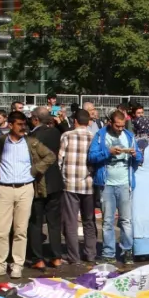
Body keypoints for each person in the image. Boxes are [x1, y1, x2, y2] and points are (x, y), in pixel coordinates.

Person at [0, 111, 56, 278]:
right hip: (4, 188)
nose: (23, 127)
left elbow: (50, 156)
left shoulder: (31, 142)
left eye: (24, 124)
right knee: (1, 230)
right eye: (19, 124)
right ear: (10, 125)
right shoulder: (0, 142)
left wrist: (35, 170)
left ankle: (17, 264)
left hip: (25, 188)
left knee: (20, 229)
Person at [88, 110, 140, 264]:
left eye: (123, 126)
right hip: (107, 184)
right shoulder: (100, 136)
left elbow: (139, 156)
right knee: (107, 221)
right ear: (110, 122)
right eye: (118, 126)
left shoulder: (129, 136)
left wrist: (136, 155)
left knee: (126, 220)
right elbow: (92, 157)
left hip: (125, 183)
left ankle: (127, 250)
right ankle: (108, 253)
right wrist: (108, 152)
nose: (120, 129)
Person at [27, 106, 65, 269]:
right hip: (55, 181)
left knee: (36, 222)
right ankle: (56, 256)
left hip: (38, 181)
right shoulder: (55, 133)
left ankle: (38, 258)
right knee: (54, 222)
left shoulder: (30, 137)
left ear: (35, 119)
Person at [58, 109, 97, 264]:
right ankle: (91, 254)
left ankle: (74, 256)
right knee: (89, 220)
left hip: (70, 184)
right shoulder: (94, 138)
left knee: (71, 221)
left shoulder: (66, 136)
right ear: (88, 122)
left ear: (74, 121)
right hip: (89, 184)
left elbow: (60, 159)